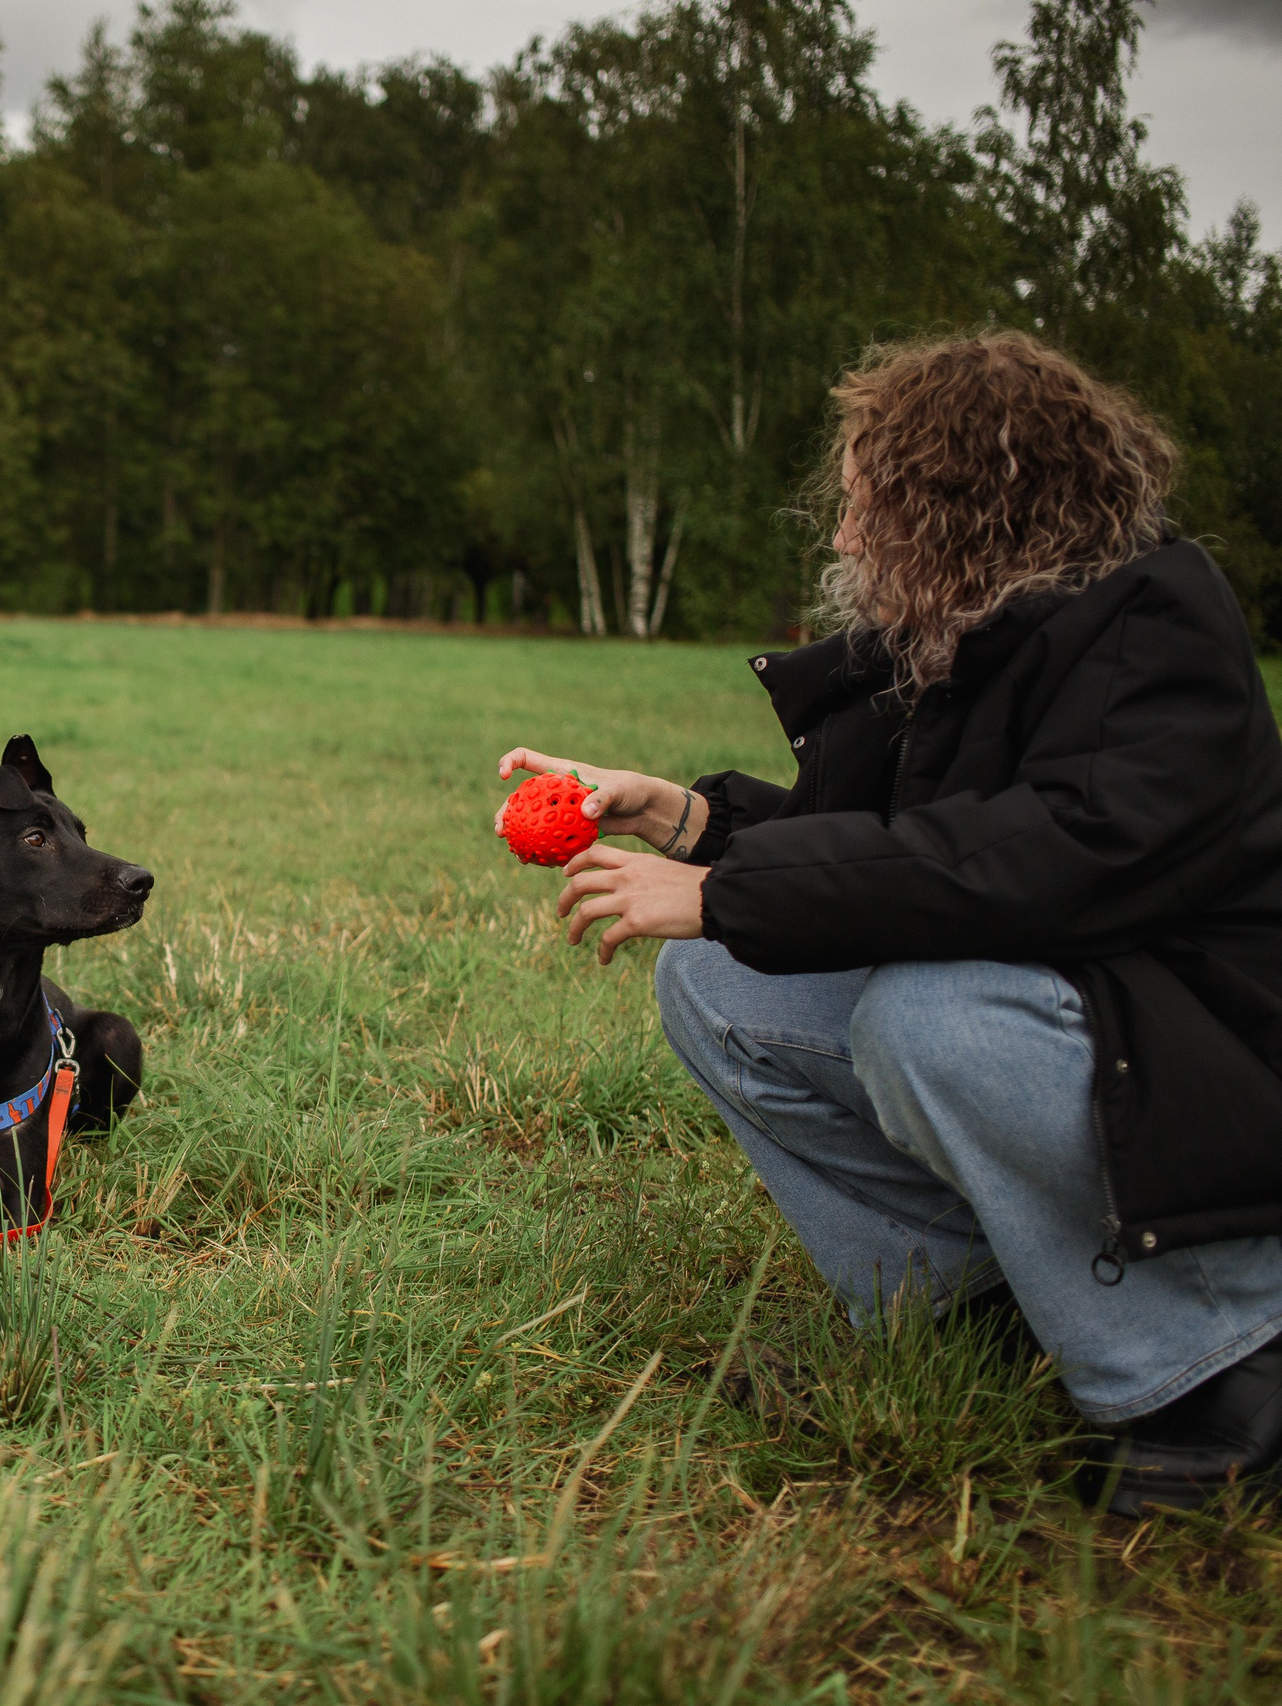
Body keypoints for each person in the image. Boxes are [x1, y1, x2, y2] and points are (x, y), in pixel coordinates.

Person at [500, 331, 1282, 1514]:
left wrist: (729, 894)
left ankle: (1221, 1361)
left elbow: (1042, 859)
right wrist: (684, 820)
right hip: (1093, 1018)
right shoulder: (971, 633)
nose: (846, 536)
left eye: (870, 506)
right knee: (720, 981)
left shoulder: (1156, 629)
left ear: (965, 508)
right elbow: (878, 845)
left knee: (930, 1014)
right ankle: (966, 1314)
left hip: (1211, 1050)